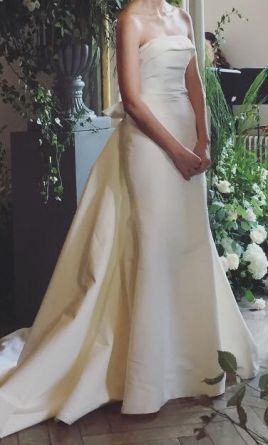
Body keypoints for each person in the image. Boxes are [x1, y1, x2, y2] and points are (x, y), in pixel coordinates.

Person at [0, 0, 259, 438]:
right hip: (148, 144)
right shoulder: (129, 19)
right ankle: (147, 375)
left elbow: (194, 80)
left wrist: (204, 139)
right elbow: (134, 101)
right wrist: (177, 151)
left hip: (187, 140)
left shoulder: (179, 17)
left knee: (189, 246)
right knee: (153, 249)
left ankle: (193, 360)